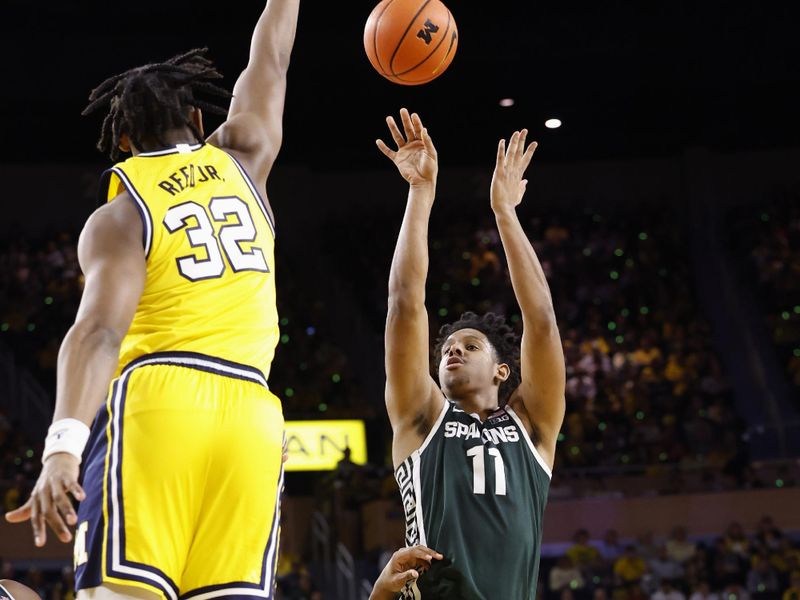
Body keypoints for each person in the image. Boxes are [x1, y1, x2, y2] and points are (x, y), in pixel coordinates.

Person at [4, 1, 301, 598]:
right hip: (254, 415)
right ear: (197, 114)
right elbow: (269, 56)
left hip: (160, 403)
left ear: (122, 139)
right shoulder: (247, 155)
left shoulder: (121, 213)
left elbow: (97, 333)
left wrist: (62, 447)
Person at [377, 109, 566, 599]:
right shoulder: (422, 419)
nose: (452, 353)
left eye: (469, 346)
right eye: (446, 350)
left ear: (503, 370)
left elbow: (541, 322)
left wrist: (506, 212)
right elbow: (404, 303)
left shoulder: (532, 424)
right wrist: (420, 194)